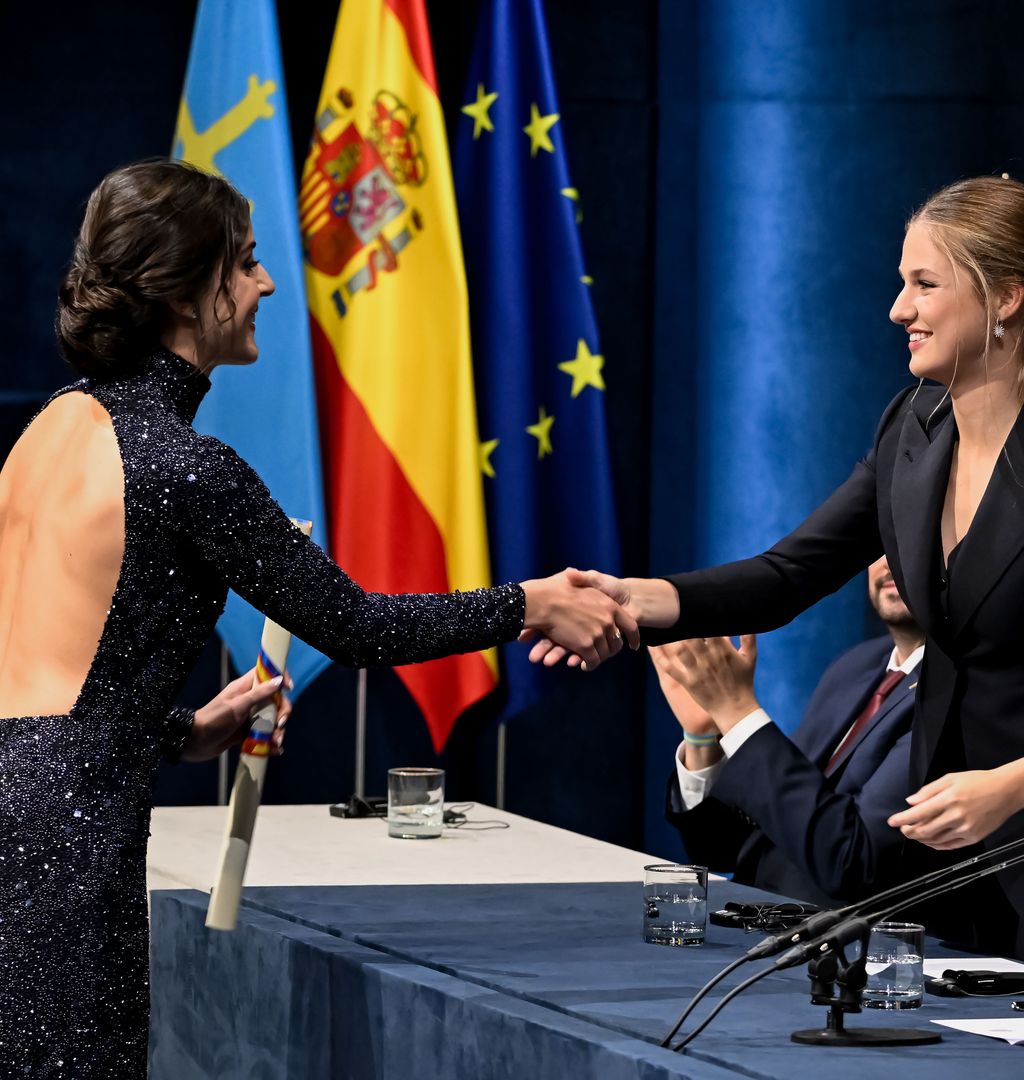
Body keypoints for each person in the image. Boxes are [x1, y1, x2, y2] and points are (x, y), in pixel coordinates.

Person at [0, 159, 637, 1077]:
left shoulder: (47, 430)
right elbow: (359, 627)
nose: (265, 284)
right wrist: (527, 602)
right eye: (248, 262)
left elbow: (43, 681)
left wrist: (187, 730)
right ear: (191, 289)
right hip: (67, 844)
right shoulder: (186, 468)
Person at [544, 176, 1024, 971]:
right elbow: (787, 573)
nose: (900, 309)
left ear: (1004, 297)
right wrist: (634, 601)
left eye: (924, 284)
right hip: (945, 876)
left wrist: (1020, 784)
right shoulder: (912, 426)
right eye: (903, 283)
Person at [657, 556, 924, 906]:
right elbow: (728, 848)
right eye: (879, 542)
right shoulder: (854, 666)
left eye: (907, 536)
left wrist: (736, 712)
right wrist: (704, 737)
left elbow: (853, 863)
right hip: (755, 923)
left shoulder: (956, 693)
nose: (887, 561)